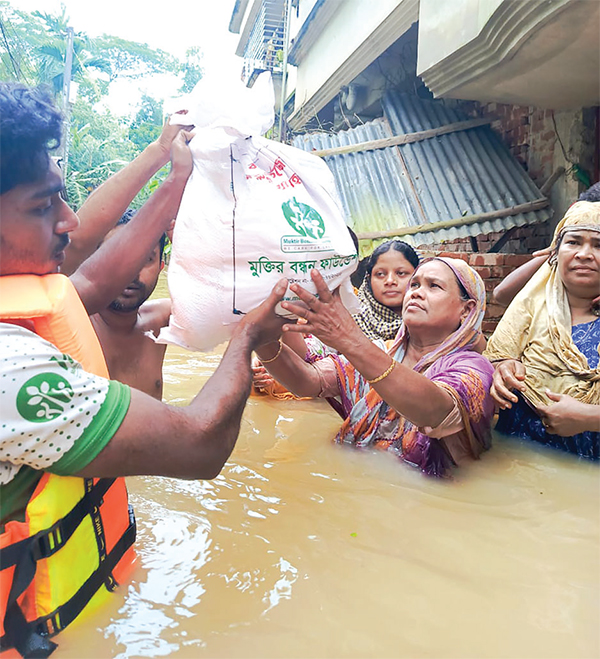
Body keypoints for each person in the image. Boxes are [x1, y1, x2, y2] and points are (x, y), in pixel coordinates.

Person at [0, 82, 285, 656]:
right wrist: (248, 336)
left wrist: (174, 175)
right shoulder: (11, 369)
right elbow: (200, 444)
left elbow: (94, 282)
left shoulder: (26, 304)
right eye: (41, 205)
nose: (69, 221)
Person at [255, 258, 495, 477]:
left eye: (433, 286)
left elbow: (433, 412)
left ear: (466, 310)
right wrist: (260, 337)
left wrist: (348, 339)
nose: (416, 293)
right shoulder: (381, 351)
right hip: (357, 488)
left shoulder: (475, 368)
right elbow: (307, 381)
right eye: (414, 285)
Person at [484, 201, 600, 459]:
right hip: (515, 467)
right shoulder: (529, 310)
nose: (584, 253)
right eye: (573, 242)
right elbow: (495, 359)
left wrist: (590, 418)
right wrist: (502, 368)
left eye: (598, 245)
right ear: (555, 254)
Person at [90, 210, 170, 399]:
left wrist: (254, 361)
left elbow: (235, 311)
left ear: (160, 266)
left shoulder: (161, 320)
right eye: (116, 255)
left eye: (146, 259)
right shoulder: (67, 324)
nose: (131, 272)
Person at [492, 182, 600, 308]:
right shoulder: (560, 266)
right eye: (574, 242)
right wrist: (554, 250)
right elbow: (502, 295)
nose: (583, 254)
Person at [352, 239, 419, 341]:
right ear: (369, 279)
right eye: (380, 274)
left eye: (401, 273)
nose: (390, 281)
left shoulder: (436, 321)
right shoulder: (351, 322)